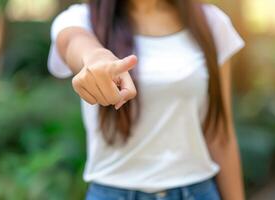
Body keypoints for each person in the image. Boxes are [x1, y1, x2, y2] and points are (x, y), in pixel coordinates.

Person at [48, 0, 245, 199]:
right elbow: (74, 42)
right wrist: (96, 57)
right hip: (112, 192)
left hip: (197, 191)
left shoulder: (212, 21)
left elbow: (220, 132)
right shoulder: (79, 18)